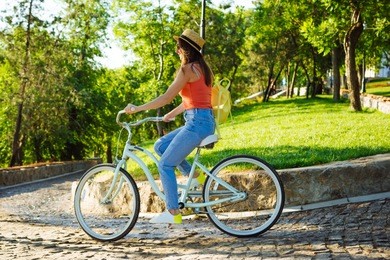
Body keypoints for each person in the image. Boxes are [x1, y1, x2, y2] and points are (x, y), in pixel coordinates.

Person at [124, 29, 215, 224]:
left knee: (165, 164)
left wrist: (138, 108)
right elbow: (192, 101)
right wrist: (171, 115)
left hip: (196, 124)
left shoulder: (187, 70)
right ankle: (196, 176)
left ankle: (173, 213)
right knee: (160, 146)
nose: (177, 51)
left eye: (179, 47)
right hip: (203, 120)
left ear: (186, 49)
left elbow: (166, 97)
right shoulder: (203, 69)